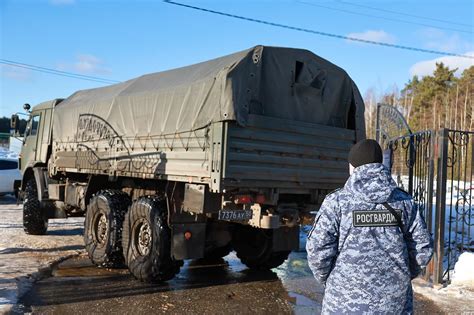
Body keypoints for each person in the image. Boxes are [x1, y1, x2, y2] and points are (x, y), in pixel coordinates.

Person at [306, 139, 433, 314]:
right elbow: (422, 247)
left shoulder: (337, 202)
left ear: (352, 166)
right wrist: (402, 275)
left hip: (344, 303)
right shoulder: (404, 202)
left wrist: (332, 280)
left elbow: (317, 250)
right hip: (394, 303)